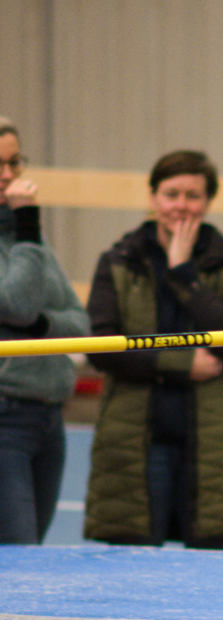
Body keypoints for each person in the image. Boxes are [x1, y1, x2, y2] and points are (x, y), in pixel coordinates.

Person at [84, 149, 223, 548]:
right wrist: (181, 364)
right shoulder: (116, 261)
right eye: (171, 194)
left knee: (213, 570)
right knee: (131, 569)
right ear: (152, 198)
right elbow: (102, 348)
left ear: (208, 202)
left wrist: (183, 277)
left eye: (192, 196)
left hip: (215, 442)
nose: (181, 205)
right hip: (135, 442)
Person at [0, 117, 90, 544]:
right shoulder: (28, 228)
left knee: (35, 558)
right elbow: (14, 302)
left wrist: (39, 324)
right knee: (18, 554)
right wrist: (29, 226)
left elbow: (79, 322)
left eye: (15, 163)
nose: (9, 176)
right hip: (5, 416)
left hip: (49, 415)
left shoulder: (24, 234)